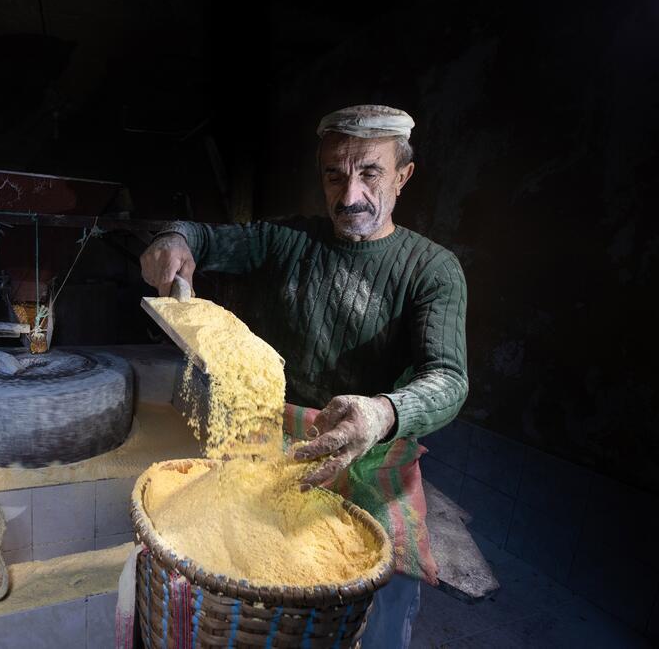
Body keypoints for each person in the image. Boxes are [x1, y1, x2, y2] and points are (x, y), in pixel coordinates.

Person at [139, 104, 468, 648]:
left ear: (403, 175)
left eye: (370, 173)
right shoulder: (288, 241)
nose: (349, 195)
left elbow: (449, 378)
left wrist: (382, 412)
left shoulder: (431, 269)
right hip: (276, 449)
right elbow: (204, 237)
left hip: (371, 455)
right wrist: (175, 236)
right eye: (334, 175)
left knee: (380, 599)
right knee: (255, 587)